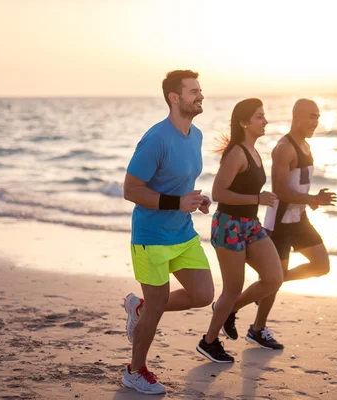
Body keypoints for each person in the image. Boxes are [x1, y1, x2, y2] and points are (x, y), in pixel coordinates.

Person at [121, 70, 214, 394]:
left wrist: (196, 200)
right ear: (174, 98)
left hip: (183, 233)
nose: (200, 96)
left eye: (200, 90)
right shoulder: (156, 139)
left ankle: (140, 307)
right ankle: (135, 370)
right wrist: (177, 201)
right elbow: (131, 189)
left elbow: (179, 186)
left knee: (203, 295)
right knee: (158, 306)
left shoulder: (196, 135)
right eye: (193, 92)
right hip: (151, 238)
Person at [219, 98, 337, 349]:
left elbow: (297, 183)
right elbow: (281, 190)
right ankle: (253, 326)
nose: (316, 122)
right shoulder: (284, 148)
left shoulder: (306, 145)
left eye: (318, 117)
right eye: (311, 116)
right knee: (274, 279)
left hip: (299, 218)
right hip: (280, 223)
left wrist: (311, 200)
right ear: (296, 117)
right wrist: (314, 198)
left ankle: (247, 301)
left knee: (321, 266)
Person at [196, 98, 283, 363]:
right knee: (233, 287)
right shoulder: (236, 153)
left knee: (273, 278)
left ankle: (229, 310)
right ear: (244, 122)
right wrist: (258, 199)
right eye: (259, 116)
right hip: (229, 225)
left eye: (264, 116)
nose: (265, 121)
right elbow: (218, 193)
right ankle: (208, 341)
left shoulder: (254, 151)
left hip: (250, 225)